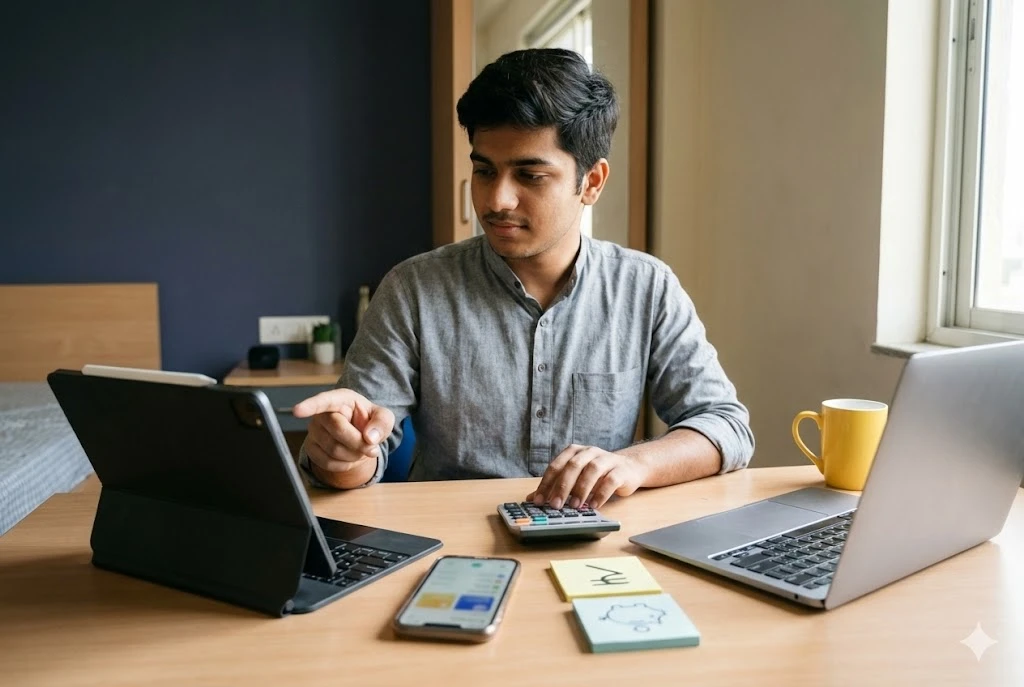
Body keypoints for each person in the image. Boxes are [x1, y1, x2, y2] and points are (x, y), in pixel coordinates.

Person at [293, 48, 754, 509]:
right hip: (451, 541)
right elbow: (361, 454)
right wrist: (343, 456)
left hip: (594, 543)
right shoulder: (413, 289)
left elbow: (725, 425)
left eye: (530, 175)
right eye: (483, 170)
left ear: (591, 182)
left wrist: (634, 464)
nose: (497, 200)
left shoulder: (645, 287)